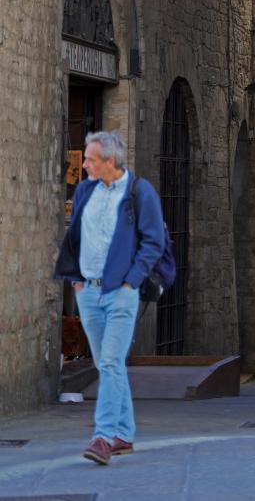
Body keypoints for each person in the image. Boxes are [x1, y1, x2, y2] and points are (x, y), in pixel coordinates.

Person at [54, 131, 165, 465]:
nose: (85, 164)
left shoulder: (139, 192)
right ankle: (124, 434)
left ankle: (102, 437)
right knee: (107, 364)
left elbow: (154, 241)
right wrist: (76, 280)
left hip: (120, 293)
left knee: (111, 362)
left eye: (90, 159)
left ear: (110, 161)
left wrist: (131, 281)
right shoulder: (85, 190)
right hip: (88, 292)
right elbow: (74, 235)